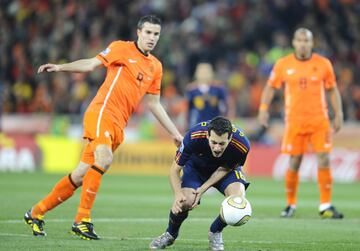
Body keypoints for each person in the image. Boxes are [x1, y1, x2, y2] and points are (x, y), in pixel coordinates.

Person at [24, 15, 183, 240]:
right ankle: (82, 220)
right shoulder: (121, 48)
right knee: (104, 159)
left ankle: (35, 212)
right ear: (138, 32)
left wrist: (174, 133)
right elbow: (90, 64)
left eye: (156, 34)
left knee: (80, 175)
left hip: (119, 124)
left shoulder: (155, 67)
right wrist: (60, 67)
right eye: (148, 32)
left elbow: (154, 104)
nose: (152, 38)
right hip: (101, 113)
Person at [258, 28, 344, 219]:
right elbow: (270, 87)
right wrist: (263, 108)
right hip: (294, 121)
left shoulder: (323, 64)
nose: (303, 44)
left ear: (312, 43)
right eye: (300, 40)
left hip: (319, 120)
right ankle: (290, 204)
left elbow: (332, 89)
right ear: (294, 42)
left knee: (324, 158)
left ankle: (325, 205)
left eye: (307, 40)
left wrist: (339, 113)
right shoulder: (283, 64)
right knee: (295, 162)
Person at [149, 116, 251, 251]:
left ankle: (215, 232)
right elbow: (174, 170)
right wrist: (177, 195)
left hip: (224, 170)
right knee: (185, 201)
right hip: (196, 167)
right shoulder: (193, 135)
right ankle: (170, 234)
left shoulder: (242, 145)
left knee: (238, 200)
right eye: (213, 142)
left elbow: (226, 168)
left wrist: (202, 189)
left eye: (222, 144)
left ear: (230, 138)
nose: (217, 148)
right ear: (207, 135)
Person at [186, 63, 227, 128]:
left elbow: (224, 105)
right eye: (201, 72)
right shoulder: (192, 90)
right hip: (197, 124)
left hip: (215, 124)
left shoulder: (218, 88)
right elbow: (188, 109)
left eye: (206, 72)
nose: (204, 74)